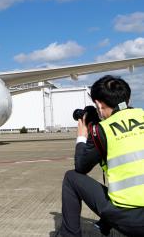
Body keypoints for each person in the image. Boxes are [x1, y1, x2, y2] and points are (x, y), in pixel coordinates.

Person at [59, 75, 144, 236]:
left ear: (98, 104)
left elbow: (81, 167)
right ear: (129, 98)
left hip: (134, 221)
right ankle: (104, 224)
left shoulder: (103, 130)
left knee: (71, 178)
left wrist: (83, 136)